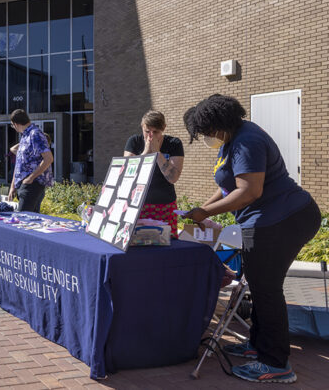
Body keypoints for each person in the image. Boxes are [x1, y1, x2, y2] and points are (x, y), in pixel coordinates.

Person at [182, 94, 320, 384]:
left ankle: (275, 363)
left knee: (267, 289)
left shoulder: (247, 141)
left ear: (219, 123)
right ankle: (258, 344)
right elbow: (227, 186)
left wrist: (204, 212)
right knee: (259, 286)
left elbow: (249, 191)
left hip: (282, 219)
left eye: (206, 132)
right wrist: (203, 213)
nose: (206, 137)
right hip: (271, 220)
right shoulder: (234, 139)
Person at [123, 110, 184, 238]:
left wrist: (157, 153)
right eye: (147, 131)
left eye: (155, 132)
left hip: (165, 205)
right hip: (138, 205)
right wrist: (146, 152)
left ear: (163, 129)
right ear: (142, 126)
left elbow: (173, 178)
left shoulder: (174, 143)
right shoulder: (134, 142)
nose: (150, 136)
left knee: (168, 243)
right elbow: (127, 174)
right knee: (137, 244)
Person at [7, 109, 54, 212]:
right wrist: (13, 186)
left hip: (32, 184)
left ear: (15, 124)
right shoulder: (25, 136)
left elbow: (49, 158)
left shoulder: (35, 134)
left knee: (22, 220)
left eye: (12, 125)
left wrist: (31, 178)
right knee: (30, 222)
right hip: (25, 184)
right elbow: (20, 164)